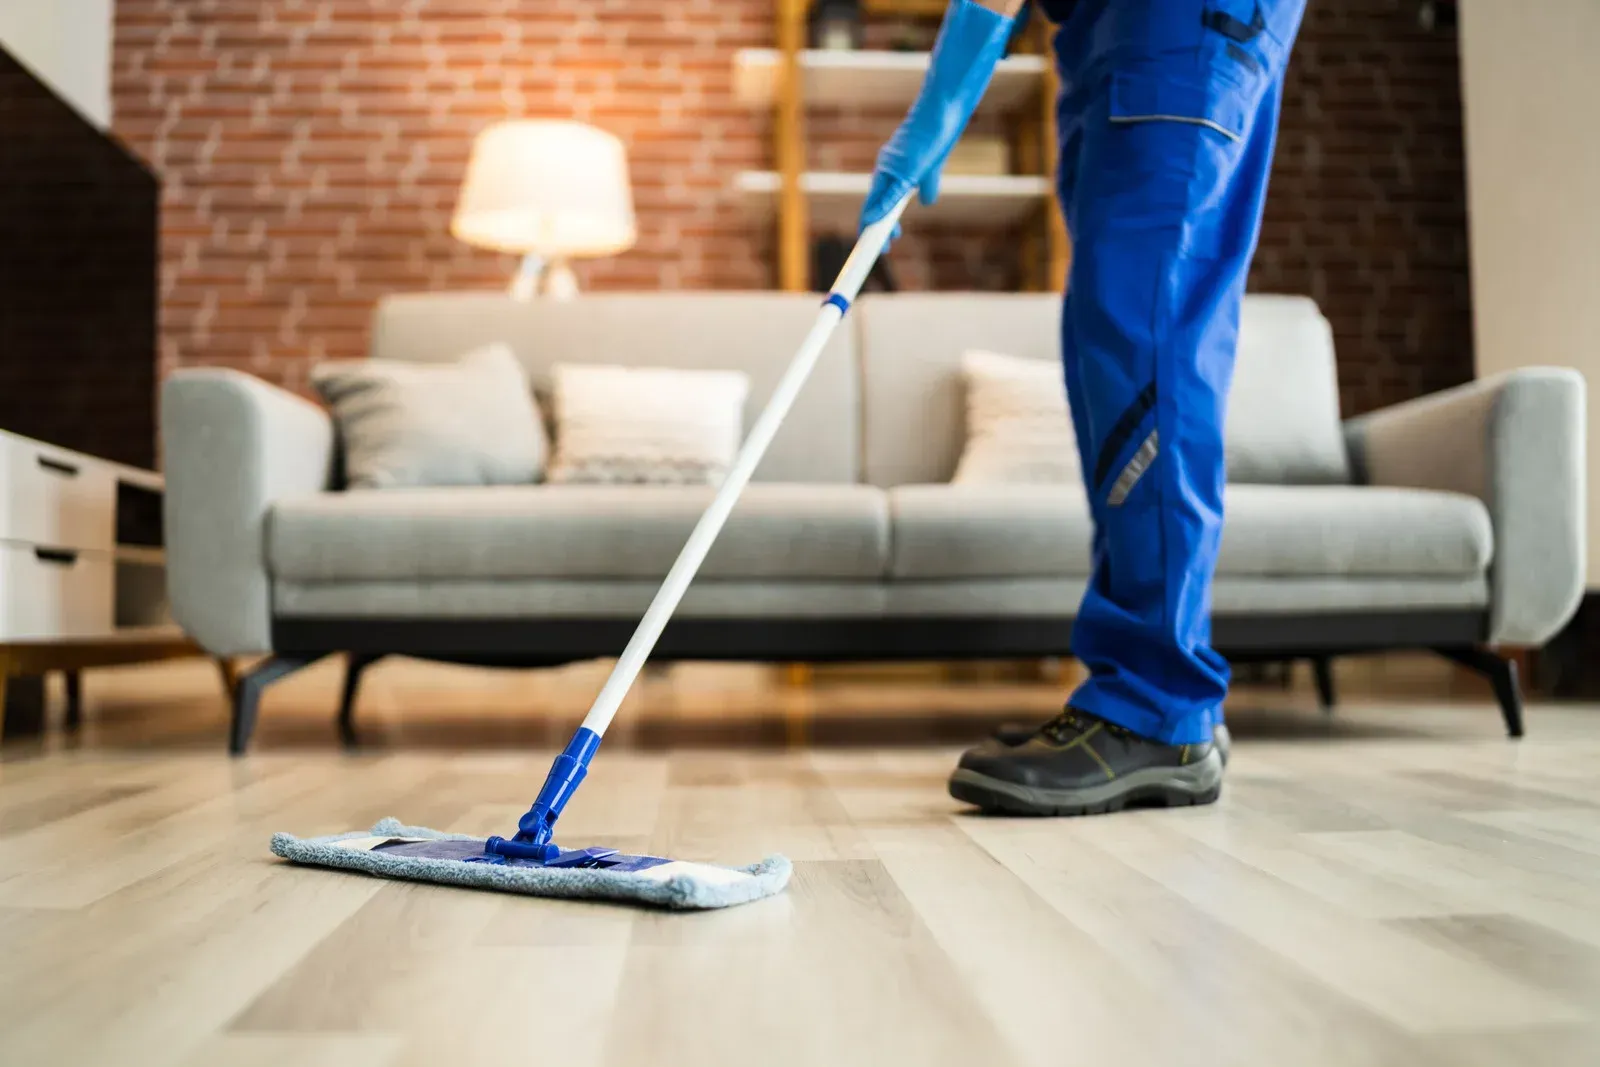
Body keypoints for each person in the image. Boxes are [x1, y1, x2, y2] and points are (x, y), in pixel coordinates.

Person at [859, 0, 1305, 815]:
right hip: (1111, 29)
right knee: (1114, 339)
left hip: (1174, 20)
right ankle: (1159, 692)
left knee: (1145, 335)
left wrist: (942, 102)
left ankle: (1156, 707)